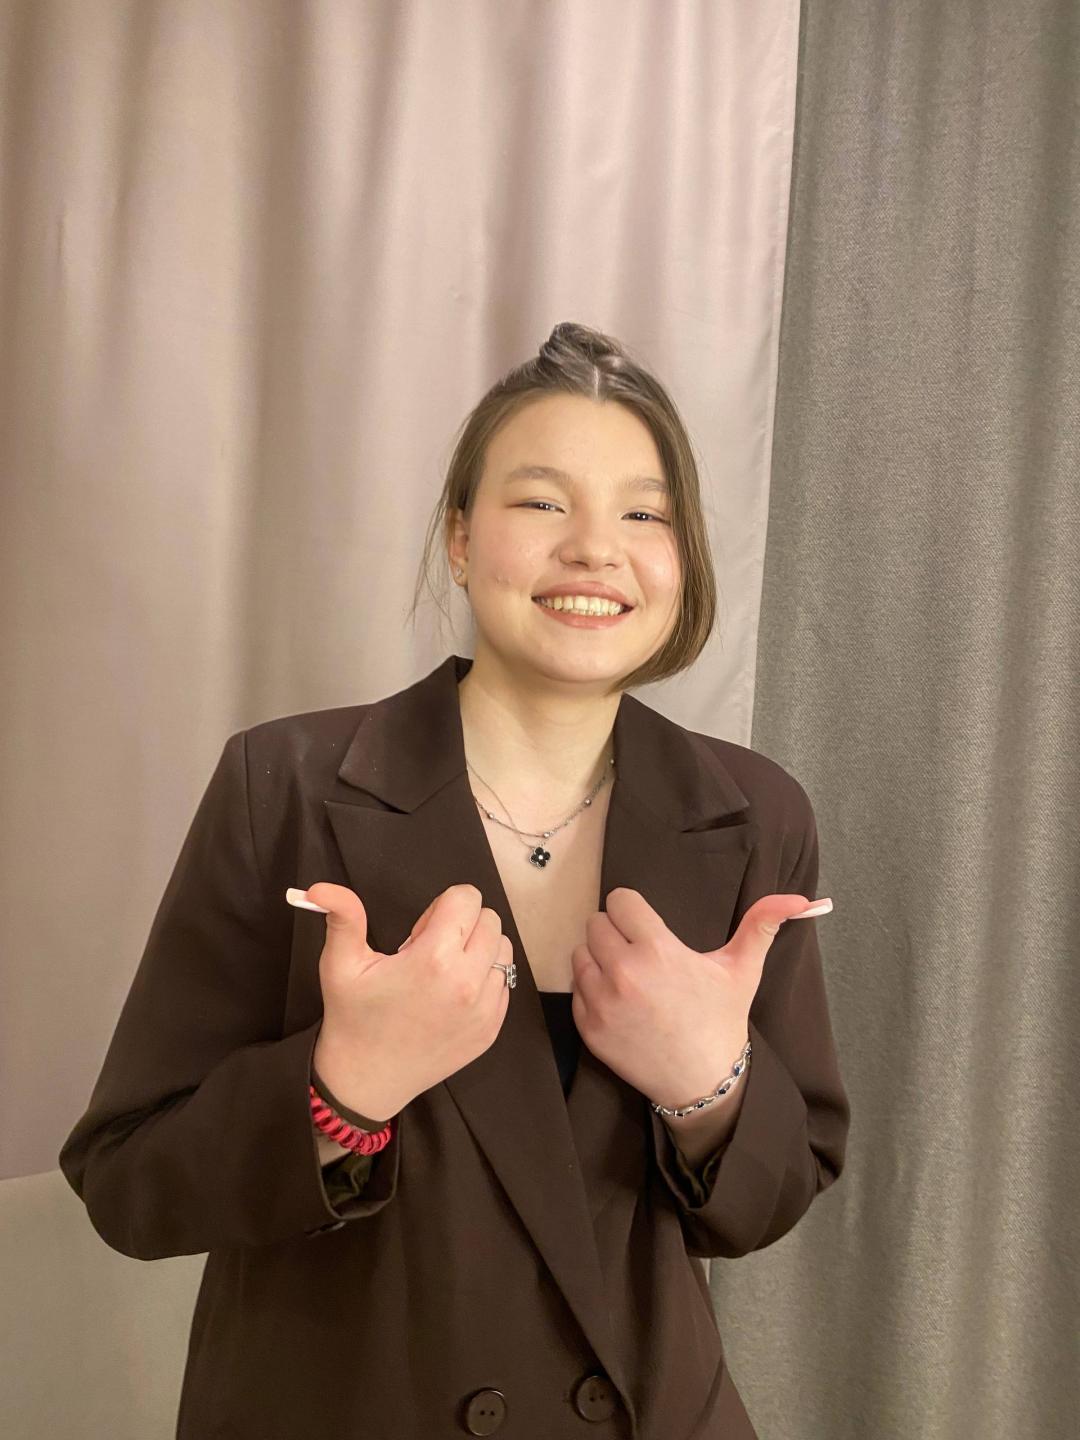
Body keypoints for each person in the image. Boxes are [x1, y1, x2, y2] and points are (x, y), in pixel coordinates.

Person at [59, 321, 850, 1439]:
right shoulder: (282, 786)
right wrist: (342, 1087)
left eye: (645, 514)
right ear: (463, 538)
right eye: (543, 501)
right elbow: (128, 1183)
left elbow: (774, 1196)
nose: (596, 548)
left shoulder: (756, 815)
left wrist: (709, 1087)